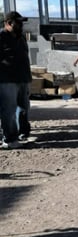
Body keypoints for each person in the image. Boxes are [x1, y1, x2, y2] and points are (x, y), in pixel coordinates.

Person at [0, 11, 32, 149]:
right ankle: (10, 139)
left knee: (23, 108)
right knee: (9, 110)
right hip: (7, 80)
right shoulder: (1, 36)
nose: (21, 25)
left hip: (23, 78)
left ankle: (22, 133)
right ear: (8, 23)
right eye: (18, 22)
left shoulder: (21, 38)